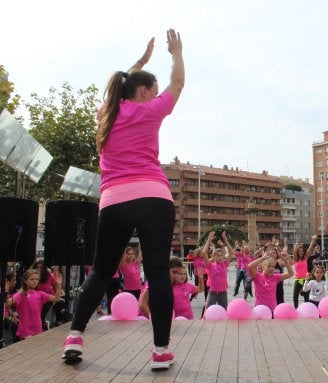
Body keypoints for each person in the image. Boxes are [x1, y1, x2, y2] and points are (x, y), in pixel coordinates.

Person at [62, 29, 185, 370]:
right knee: (158, 273)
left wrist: (142, 61)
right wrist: (176, 53)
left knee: (101, 271)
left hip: (113, 200)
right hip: (153, 196)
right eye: (153, 91)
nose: (157, 96)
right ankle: (161, 351)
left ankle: (74, 336)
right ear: (143, 91)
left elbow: (120, 86)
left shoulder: (107, 111)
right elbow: (179, 83)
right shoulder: (149, 112)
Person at [9, 269, 61, 339]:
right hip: (25, 330)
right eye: (32, 279)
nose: (35, 281)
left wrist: (58, 284)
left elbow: (56, 298)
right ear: (25, 280)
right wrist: (6, 289)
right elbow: (7, 304)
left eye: (37, 279)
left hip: (37, 328)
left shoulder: (40, 294)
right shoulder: (21, 294)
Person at [248, 248, 294, 313]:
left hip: (273, 310)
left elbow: (291, 273)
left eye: (273, 267)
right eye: (269, 266)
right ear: (263, 267)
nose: (271, 269)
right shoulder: (257, 276)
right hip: (260, 310)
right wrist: (263, 258)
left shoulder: (275, 277)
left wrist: (285, 260)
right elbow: (250, 266)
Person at [203, 231, 235, 309]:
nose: (219, 257)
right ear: (214, 256)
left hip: (223, 292)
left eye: (221, 255)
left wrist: (225, 240)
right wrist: (208, 240)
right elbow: (204, 253)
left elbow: (231, 253)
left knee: (224, 311)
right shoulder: (210, 266)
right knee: (209, 311)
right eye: (217, 255)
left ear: (223, 256)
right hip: (212, 292)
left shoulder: (225, 264)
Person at [31, 260, 63, 330]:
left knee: (41, 315)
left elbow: (56, 287)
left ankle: (42, 330)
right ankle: (44, 327)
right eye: (37, 267)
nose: (39, 269)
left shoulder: (50, 276)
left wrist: (55, 299)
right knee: (37, 316)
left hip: (48, 299)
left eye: (41, 267)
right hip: (35, 299)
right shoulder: (32, 276)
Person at [292, 237, 316, 308]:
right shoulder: (295, 259)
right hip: (298, 280)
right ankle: (296, 308)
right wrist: (297, 243)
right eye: (299, 251)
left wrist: (313, 240)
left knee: (306, 295)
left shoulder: (305, 258)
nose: (300, 252)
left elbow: (309, 249)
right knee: (295, 295)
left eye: (302, 251)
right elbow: (294, 252)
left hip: (305, 280)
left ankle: (307, 309)